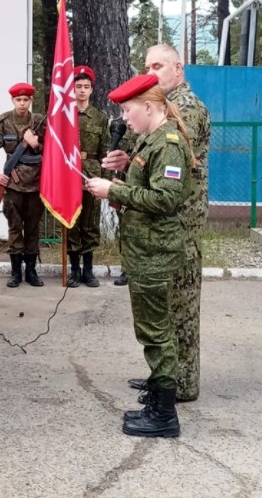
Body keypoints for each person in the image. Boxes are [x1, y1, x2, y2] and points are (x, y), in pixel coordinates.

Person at [86, 74, 192, 438]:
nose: (125, 119)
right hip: (145, 249)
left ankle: (164, 416)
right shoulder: (151, 141)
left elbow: (166, 199)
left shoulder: (169, 144)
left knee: (156, 331)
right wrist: (122, 178)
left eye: (128, 110)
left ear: (148, 107)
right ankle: (157, 393)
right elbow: (146, 190)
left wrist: (115, 189)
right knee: (152, 328)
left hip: (155, 252)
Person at [108, 44, 211, 403]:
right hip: (161, 220)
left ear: (178, 68)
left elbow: (172, 165)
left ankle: (179, 382)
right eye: (147, 66)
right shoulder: (163, 108)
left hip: (178, 222)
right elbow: (152, 164)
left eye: (159, 66)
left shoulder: (184, 108)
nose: (152, 73)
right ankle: (166, 375)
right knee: (166, 307)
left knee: (179, 305)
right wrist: (128, 163)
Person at [0, 83, 47, 287]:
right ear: (12, 101)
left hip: (37, 182)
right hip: (13, 183)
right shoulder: (4, 121)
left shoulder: (39, 121)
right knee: (15, 227)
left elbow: (53, 147)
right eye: (18, 100)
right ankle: (15, 271)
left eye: (25, 99)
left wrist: (36, 145)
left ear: (30, 101)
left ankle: (31, 270)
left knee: (33, 227)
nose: (22, 103)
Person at [67, 66, 110, 288]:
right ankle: (74, 269)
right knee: (72, 222)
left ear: (92, 90)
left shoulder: (100, 118)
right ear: (72, 89)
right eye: (78, 87)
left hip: (92, 174)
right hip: (70, 175)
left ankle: (89, 270)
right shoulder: (64, 116)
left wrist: (106, 179)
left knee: (90, 223)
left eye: (86, 87)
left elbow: (105, 151)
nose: (82, 91)